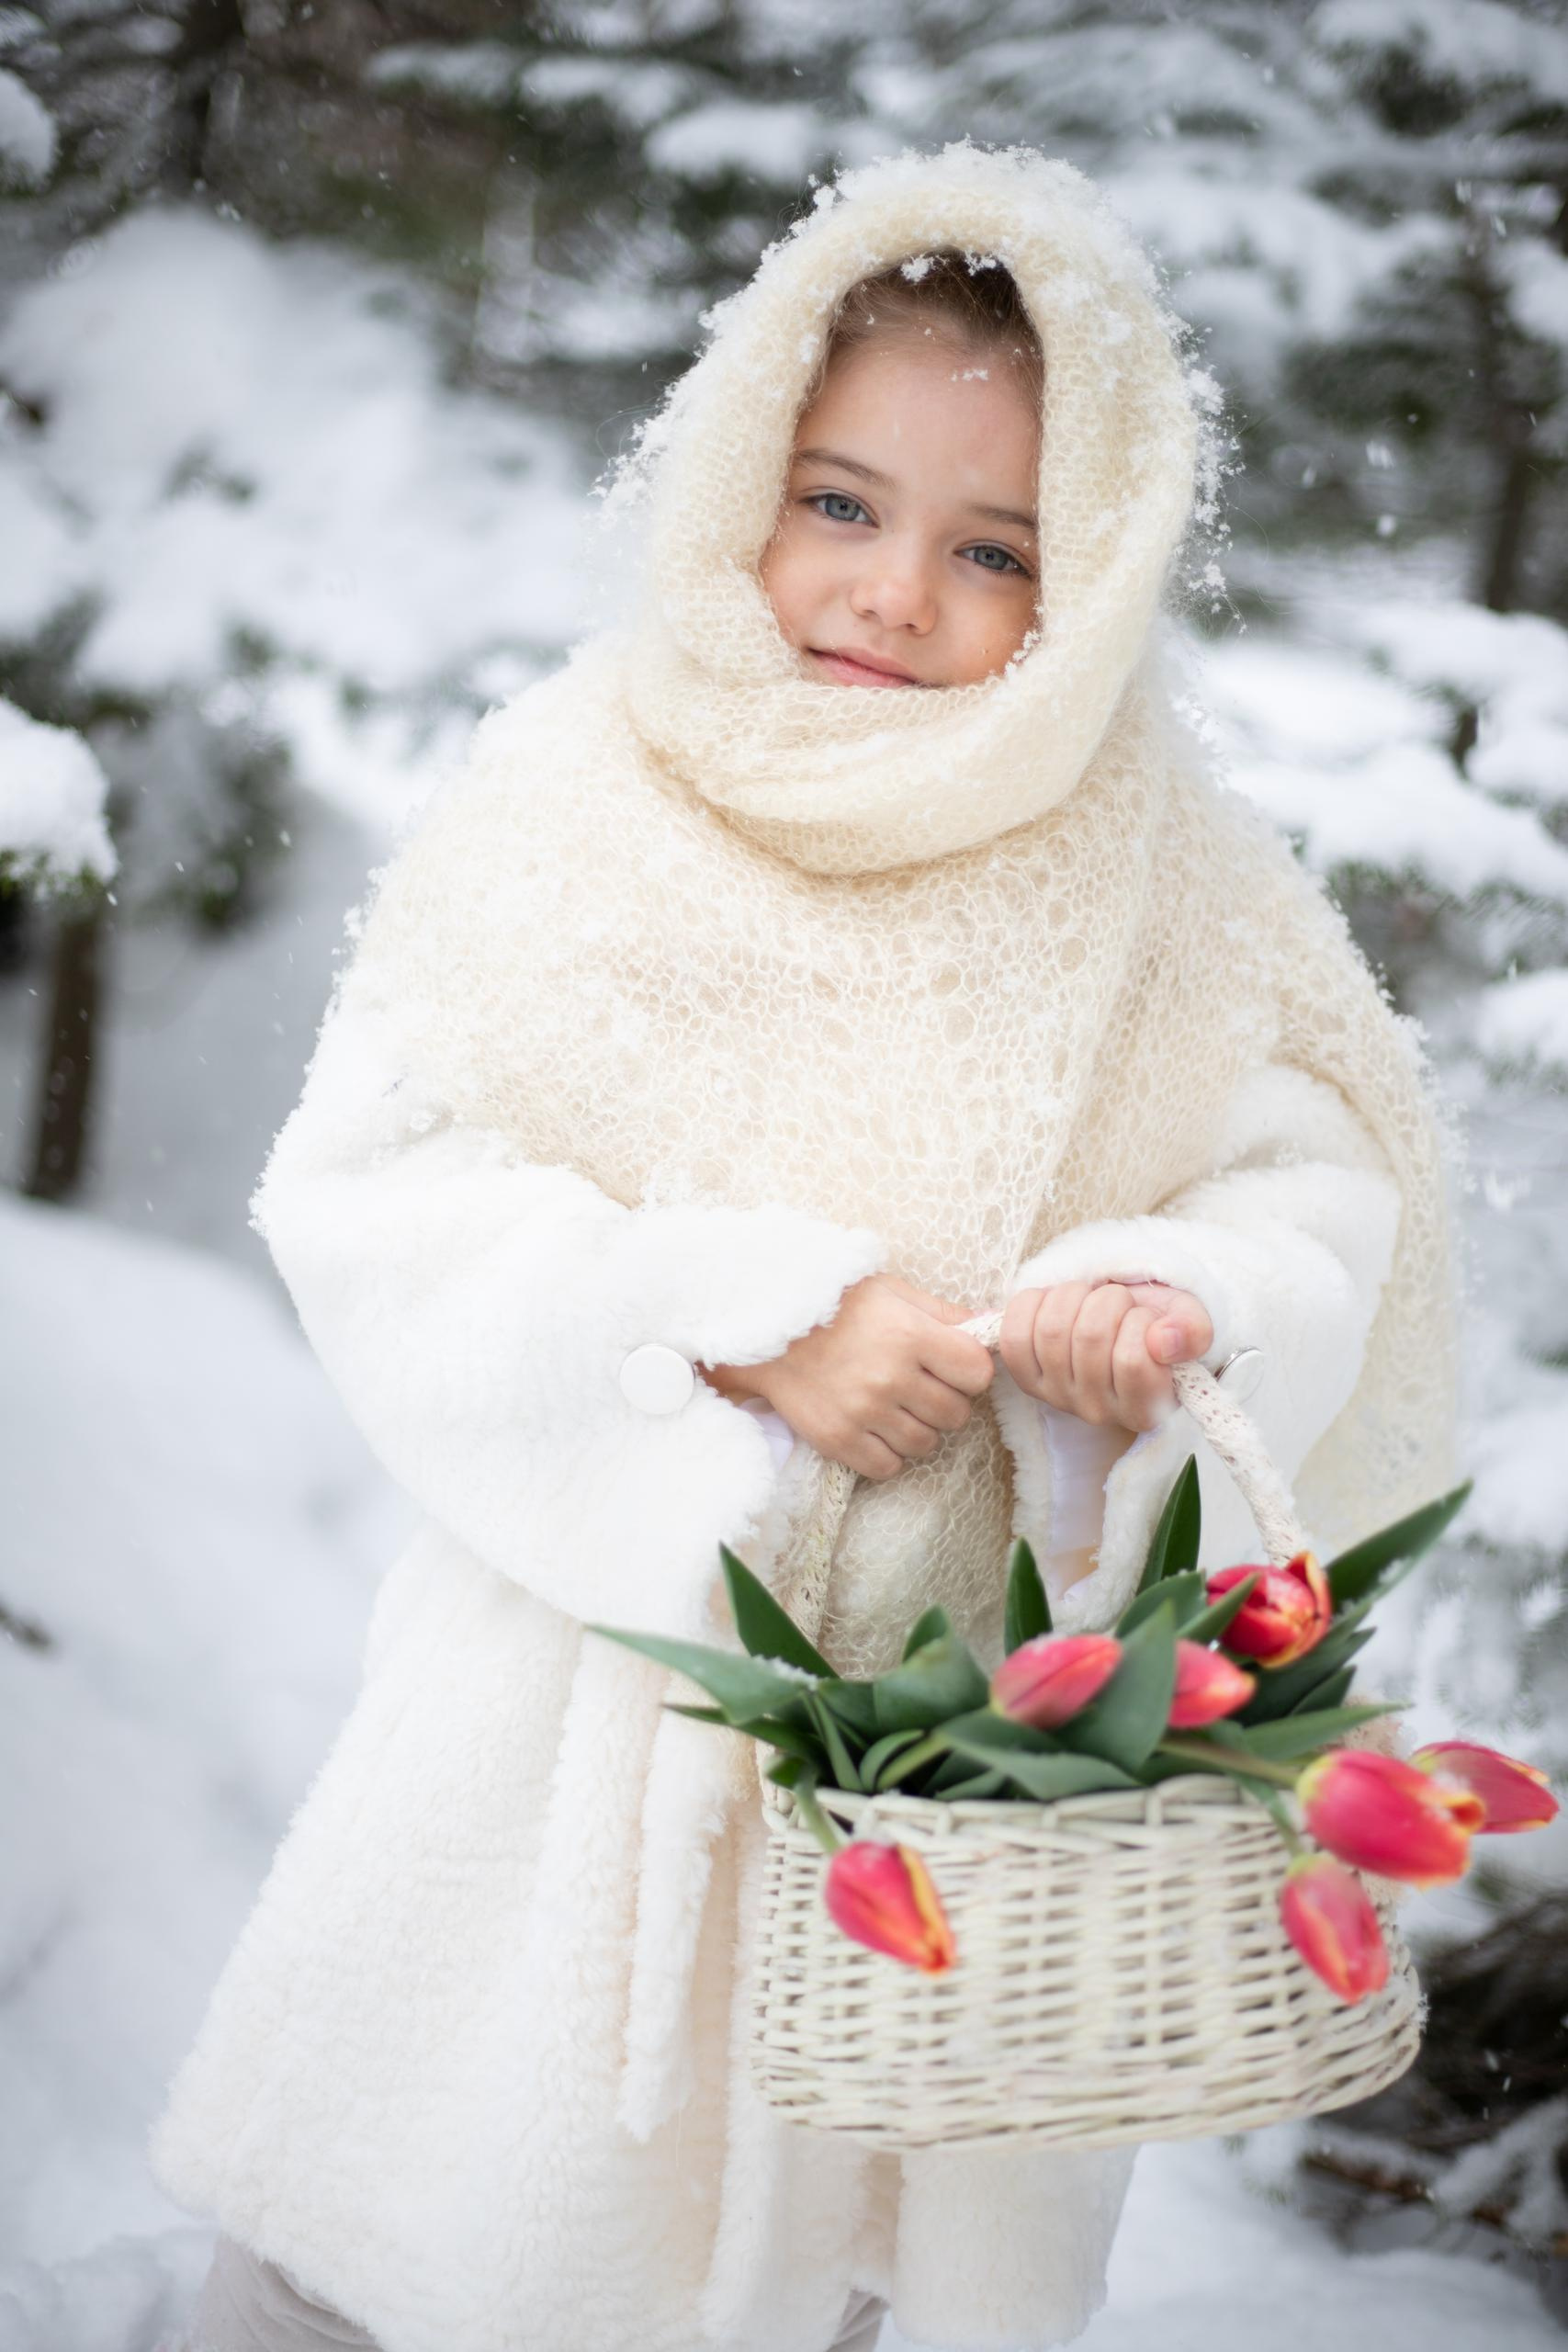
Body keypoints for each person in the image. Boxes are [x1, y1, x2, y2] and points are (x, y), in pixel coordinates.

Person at [151, 142, 1461, 2352]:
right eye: (835, 502)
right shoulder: (584, 794)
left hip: (954, 1792)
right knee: (420, 2225)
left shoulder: (1164, 875)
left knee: (830, 2266)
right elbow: (380, 1173)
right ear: (736, 461)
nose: (884, 592)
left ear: (1104, 568)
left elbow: (1316, 1179)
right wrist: (731, 1323)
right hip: (563, 1740)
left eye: (992, 550)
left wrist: (1169, 1289)